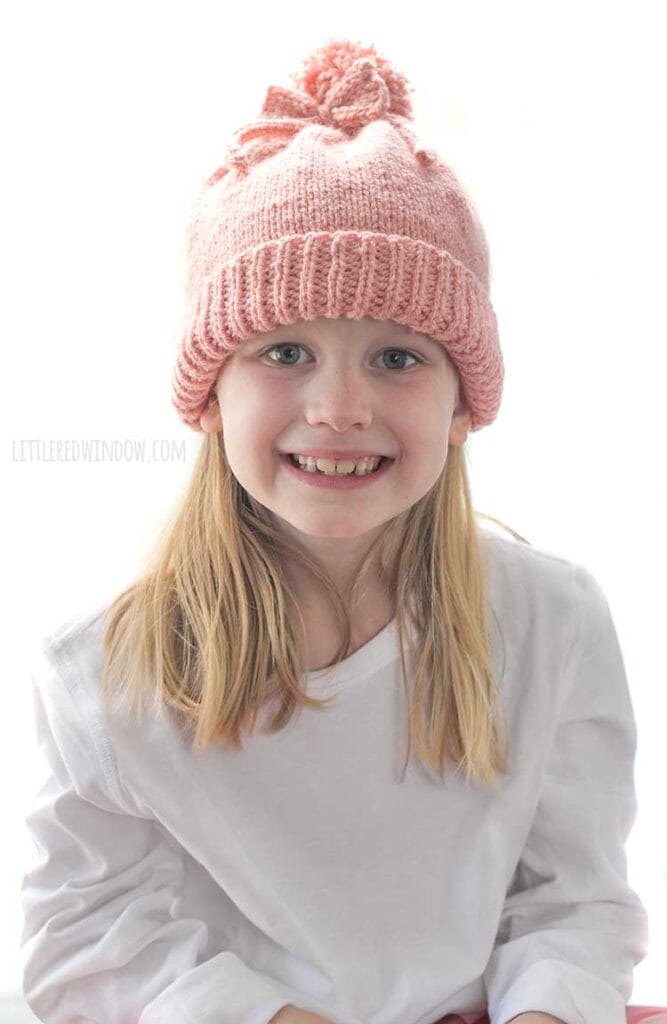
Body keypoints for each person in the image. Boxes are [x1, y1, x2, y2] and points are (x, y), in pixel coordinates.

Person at [20, 36, 649, 1024]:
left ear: (461, 403)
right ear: (210, 398)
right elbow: (82, 934)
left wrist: (547, 1008)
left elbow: (572, 894)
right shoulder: (112, 666)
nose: (340, 405)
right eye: (284, 350)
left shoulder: (547, 618)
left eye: (398, 356)